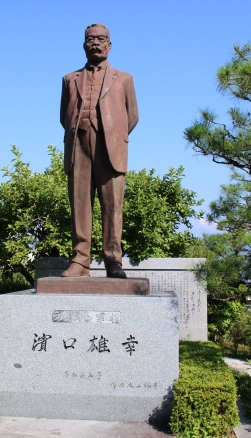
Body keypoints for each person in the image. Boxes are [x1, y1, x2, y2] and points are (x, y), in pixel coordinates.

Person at [59, 23, 139, 279]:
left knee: (112, 206)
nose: (95, 42)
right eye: (90, 39)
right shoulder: (69, 79)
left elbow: (133, 117)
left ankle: (113, 261)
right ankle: (80, 261)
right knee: (80, 205)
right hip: (78, 146)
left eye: (101, 38)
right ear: (84, 44)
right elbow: (64, 115)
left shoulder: (124, 78)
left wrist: (113, 134)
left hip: (111, 148)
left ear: (109, 45)